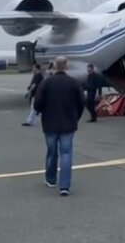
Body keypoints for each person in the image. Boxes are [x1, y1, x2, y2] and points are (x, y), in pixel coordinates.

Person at [32, 56, 85, 196]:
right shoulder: (74, 83)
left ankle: (50, 179)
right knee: (66, 153)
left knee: (51, 152)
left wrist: (45, 112)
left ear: (54, 66)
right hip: (68, 123)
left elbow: (37, 104)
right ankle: (65, 186)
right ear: (66, 66)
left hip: (50, 123)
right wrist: (75, 117)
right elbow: (81, 103)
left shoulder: (46, 83)